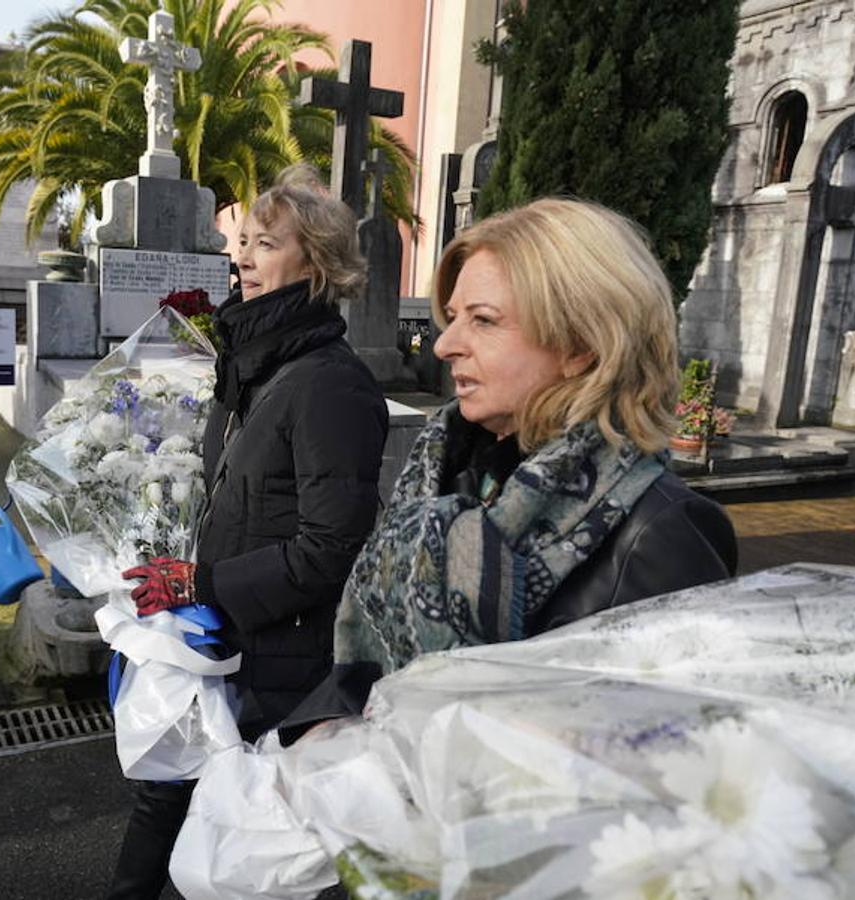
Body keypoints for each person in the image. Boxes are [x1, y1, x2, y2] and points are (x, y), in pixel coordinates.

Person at [285, 197, 738, 730]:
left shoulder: (663, 534)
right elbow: (361, 672)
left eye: (483, 320)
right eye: (453, 319)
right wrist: (318, 738)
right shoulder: (446, 475)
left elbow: (658, 767)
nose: (447, 345)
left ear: (581, 343)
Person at [108, 166, 389, 899]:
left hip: (280, 670)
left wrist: (202, 583)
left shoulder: (330, 383)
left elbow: (333, 546)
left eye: (264, 243)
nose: (242, 258)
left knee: (252, 853)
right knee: (165, 800)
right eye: (242, 243)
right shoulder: (255, 371)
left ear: (317, 264)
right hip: (217, 646)